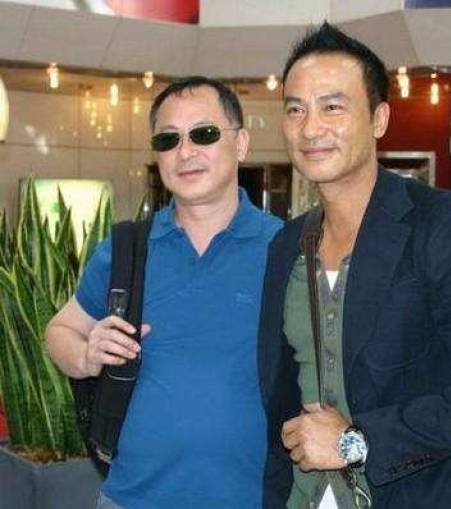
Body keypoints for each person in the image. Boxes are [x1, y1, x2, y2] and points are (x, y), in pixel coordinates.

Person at [258, 22, 451, 509]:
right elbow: (282, 397)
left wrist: (356, 442)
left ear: (379, 118)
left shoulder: (446, 226)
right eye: (296, 109)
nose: (310, 127)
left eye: (332, 107)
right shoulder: (287, 245)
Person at [45, 76, 281, 508]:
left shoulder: (285, 249)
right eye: (168, 139)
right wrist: (86, 355)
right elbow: (59, 331)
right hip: (131, 498)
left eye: (204, 134)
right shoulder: (128, 248)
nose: (185, 152)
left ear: (241, 143)